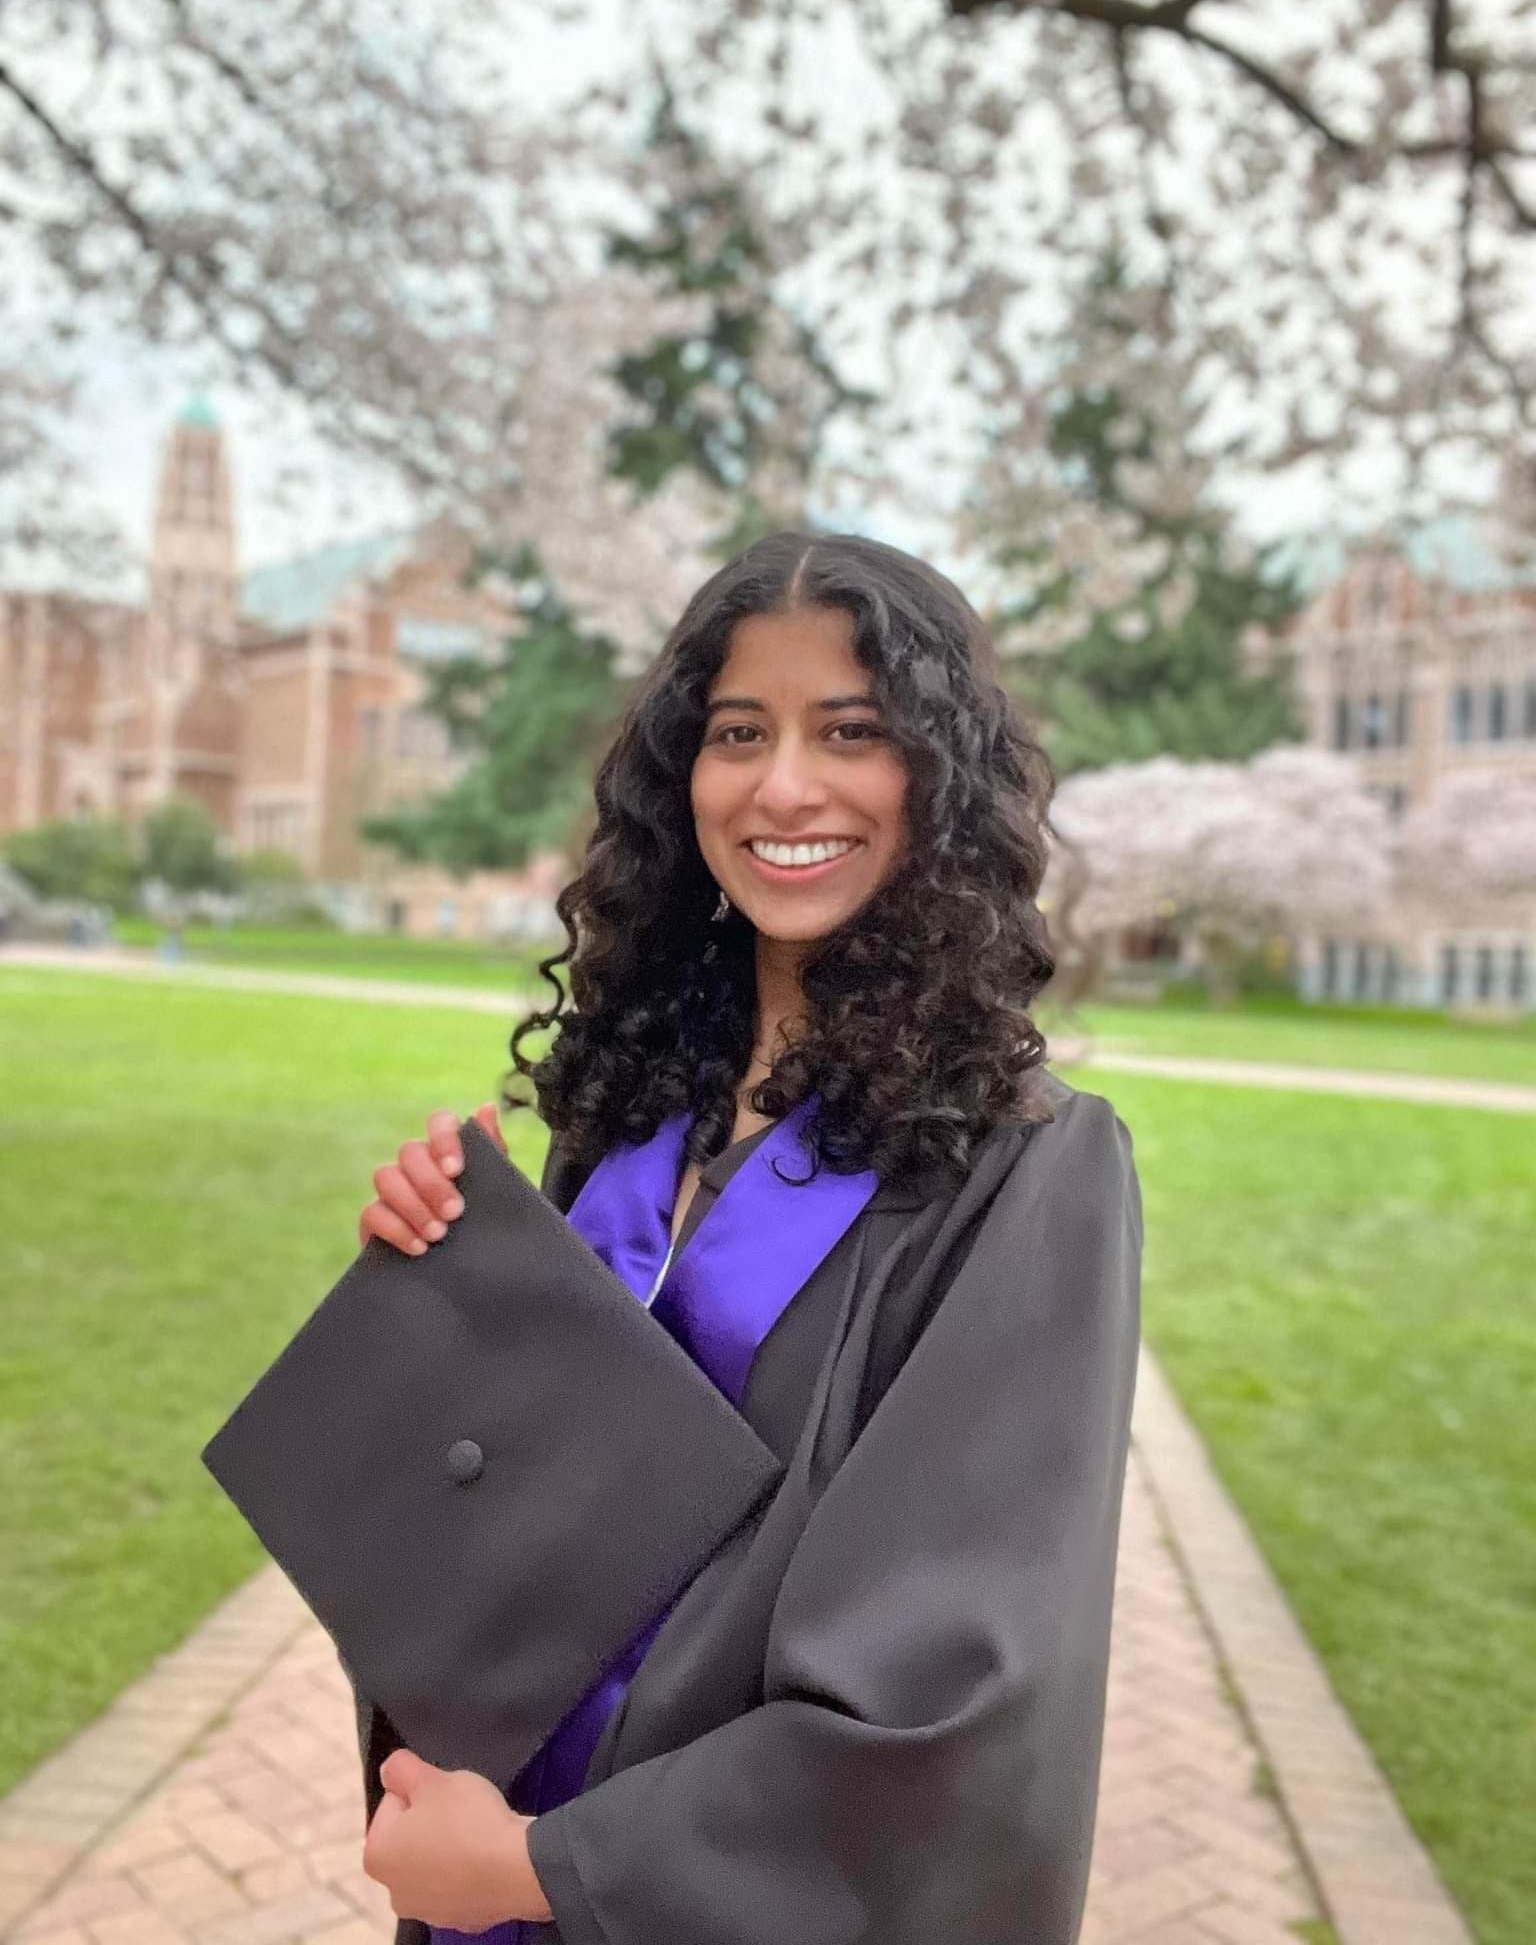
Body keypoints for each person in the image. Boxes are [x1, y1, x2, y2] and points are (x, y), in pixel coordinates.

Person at [353, 532, 1142, 1944]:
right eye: (737, 734)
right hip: (487, 1870)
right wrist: (437, 1302)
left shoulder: (1027, 1169)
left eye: (852, 732)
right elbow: (515, 1499)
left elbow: (956, 1686)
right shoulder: (629, 1105)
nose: (785, 786)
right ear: (682, 782)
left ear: (942, 783)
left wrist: (554, 1870)